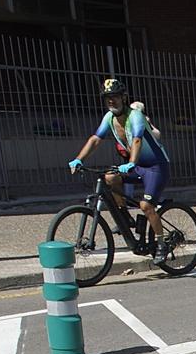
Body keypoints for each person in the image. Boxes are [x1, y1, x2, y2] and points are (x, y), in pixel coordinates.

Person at [69, 77, 175, 262]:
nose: (111, 101)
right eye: (107, 98)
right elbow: (95, 139)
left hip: (156, 166)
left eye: (115, 97)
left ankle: (161, 244)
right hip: (138, 166)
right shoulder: (109, 118)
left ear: (124, 97)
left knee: (146, 205)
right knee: (110, 178)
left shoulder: (135, 116)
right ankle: (125, 217)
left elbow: (136, 139)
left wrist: (131, 162)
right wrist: (78, 159)